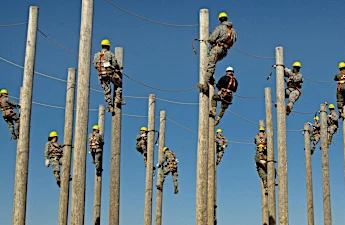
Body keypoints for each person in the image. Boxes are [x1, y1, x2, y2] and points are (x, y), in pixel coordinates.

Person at [196, 12, 237, 94]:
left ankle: (205, 86)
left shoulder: (220, 28)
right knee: (212, 63)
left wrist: (211, 40)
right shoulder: (233, 31)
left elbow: (211, 39)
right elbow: (234, 40)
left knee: (209, 65)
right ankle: (210, 79)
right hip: (225, 52)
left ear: (219, 20)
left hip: (218, 49)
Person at [93, 39, 125, 113]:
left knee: (107, 91)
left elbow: (95, 65)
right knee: (119, 83)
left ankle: (110, 106)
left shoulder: (96, 55)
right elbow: (114, 64)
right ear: (108, 46)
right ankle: (117, 98)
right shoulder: (110, 54)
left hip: (101, 75)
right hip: (110, 74)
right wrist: (118, 68)